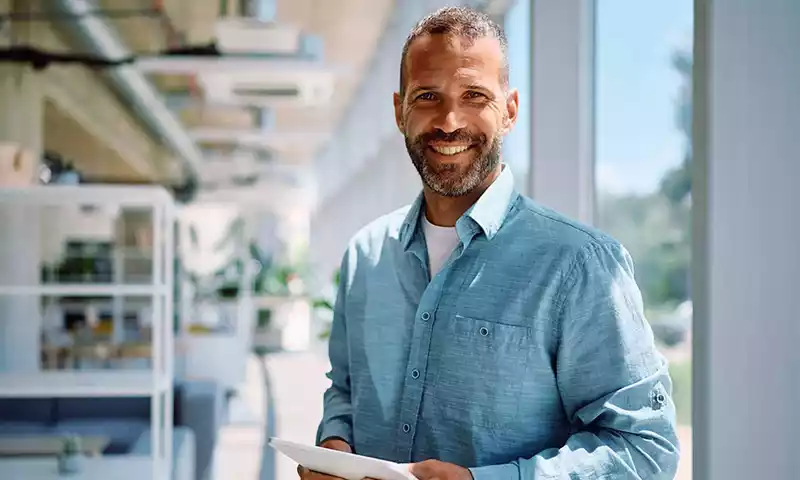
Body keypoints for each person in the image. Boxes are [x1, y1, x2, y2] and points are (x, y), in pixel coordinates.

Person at [302, 6, 680, 480]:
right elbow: (346, 390)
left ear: (509, 111)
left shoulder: (580, 265)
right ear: (400, 111)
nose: (449, 121)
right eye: (427, 97)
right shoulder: (364, 255)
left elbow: (645, 451)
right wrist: (334, 443)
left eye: (474, 95)